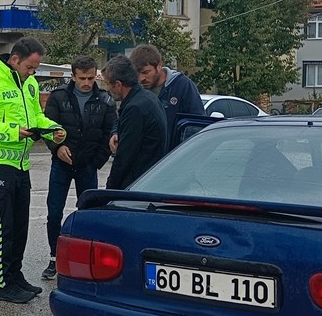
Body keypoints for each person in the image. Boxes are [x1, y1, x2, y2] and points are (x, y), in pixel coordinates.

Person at [0, 36, 66, 304]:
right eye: (30, 67)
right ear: (15, 59)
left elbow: (35, 118)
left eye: (35, 68)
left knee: (20, 226)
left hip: (21, 164)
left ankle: (15, 276)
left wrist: (51, 129)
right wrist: (12, 132)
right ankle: (1, 284)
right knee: (2, 228)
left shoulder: (29, 84)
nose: (33, 72)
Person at [41, 55, 117, 280]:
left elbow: (110, 131)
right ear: (73, 76)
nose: (86, 82)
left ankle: (83, 259)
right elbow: (48, 128)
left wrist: (96, 162)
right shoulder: (58, 97)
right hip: (61, 164)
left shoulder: (105, 99)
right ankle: (54, 258)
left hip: (87, 166)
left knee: (87, 214)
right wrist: (57, 148)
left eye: (91, 78)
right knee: (54, 213)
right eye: (82, 78)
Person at [103, 55, 166, 190]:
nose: (107, 89)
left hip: (138, 184)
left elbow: (124, 157)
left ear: (118, 84)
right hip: (151, 178)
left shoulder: (134, 108)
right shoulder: (149, 98)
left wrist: (109, 191)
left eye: (108, 84)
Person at [129, 44, 204, 149]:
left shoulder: (182, 86)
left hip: (175, 158)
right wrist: (115, 133)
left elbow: (197, 125)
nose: (141, 78)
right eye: (138, 74)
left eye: (146, 72)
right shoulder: (135, 89)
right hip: (145, 160)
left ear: (159, 66)